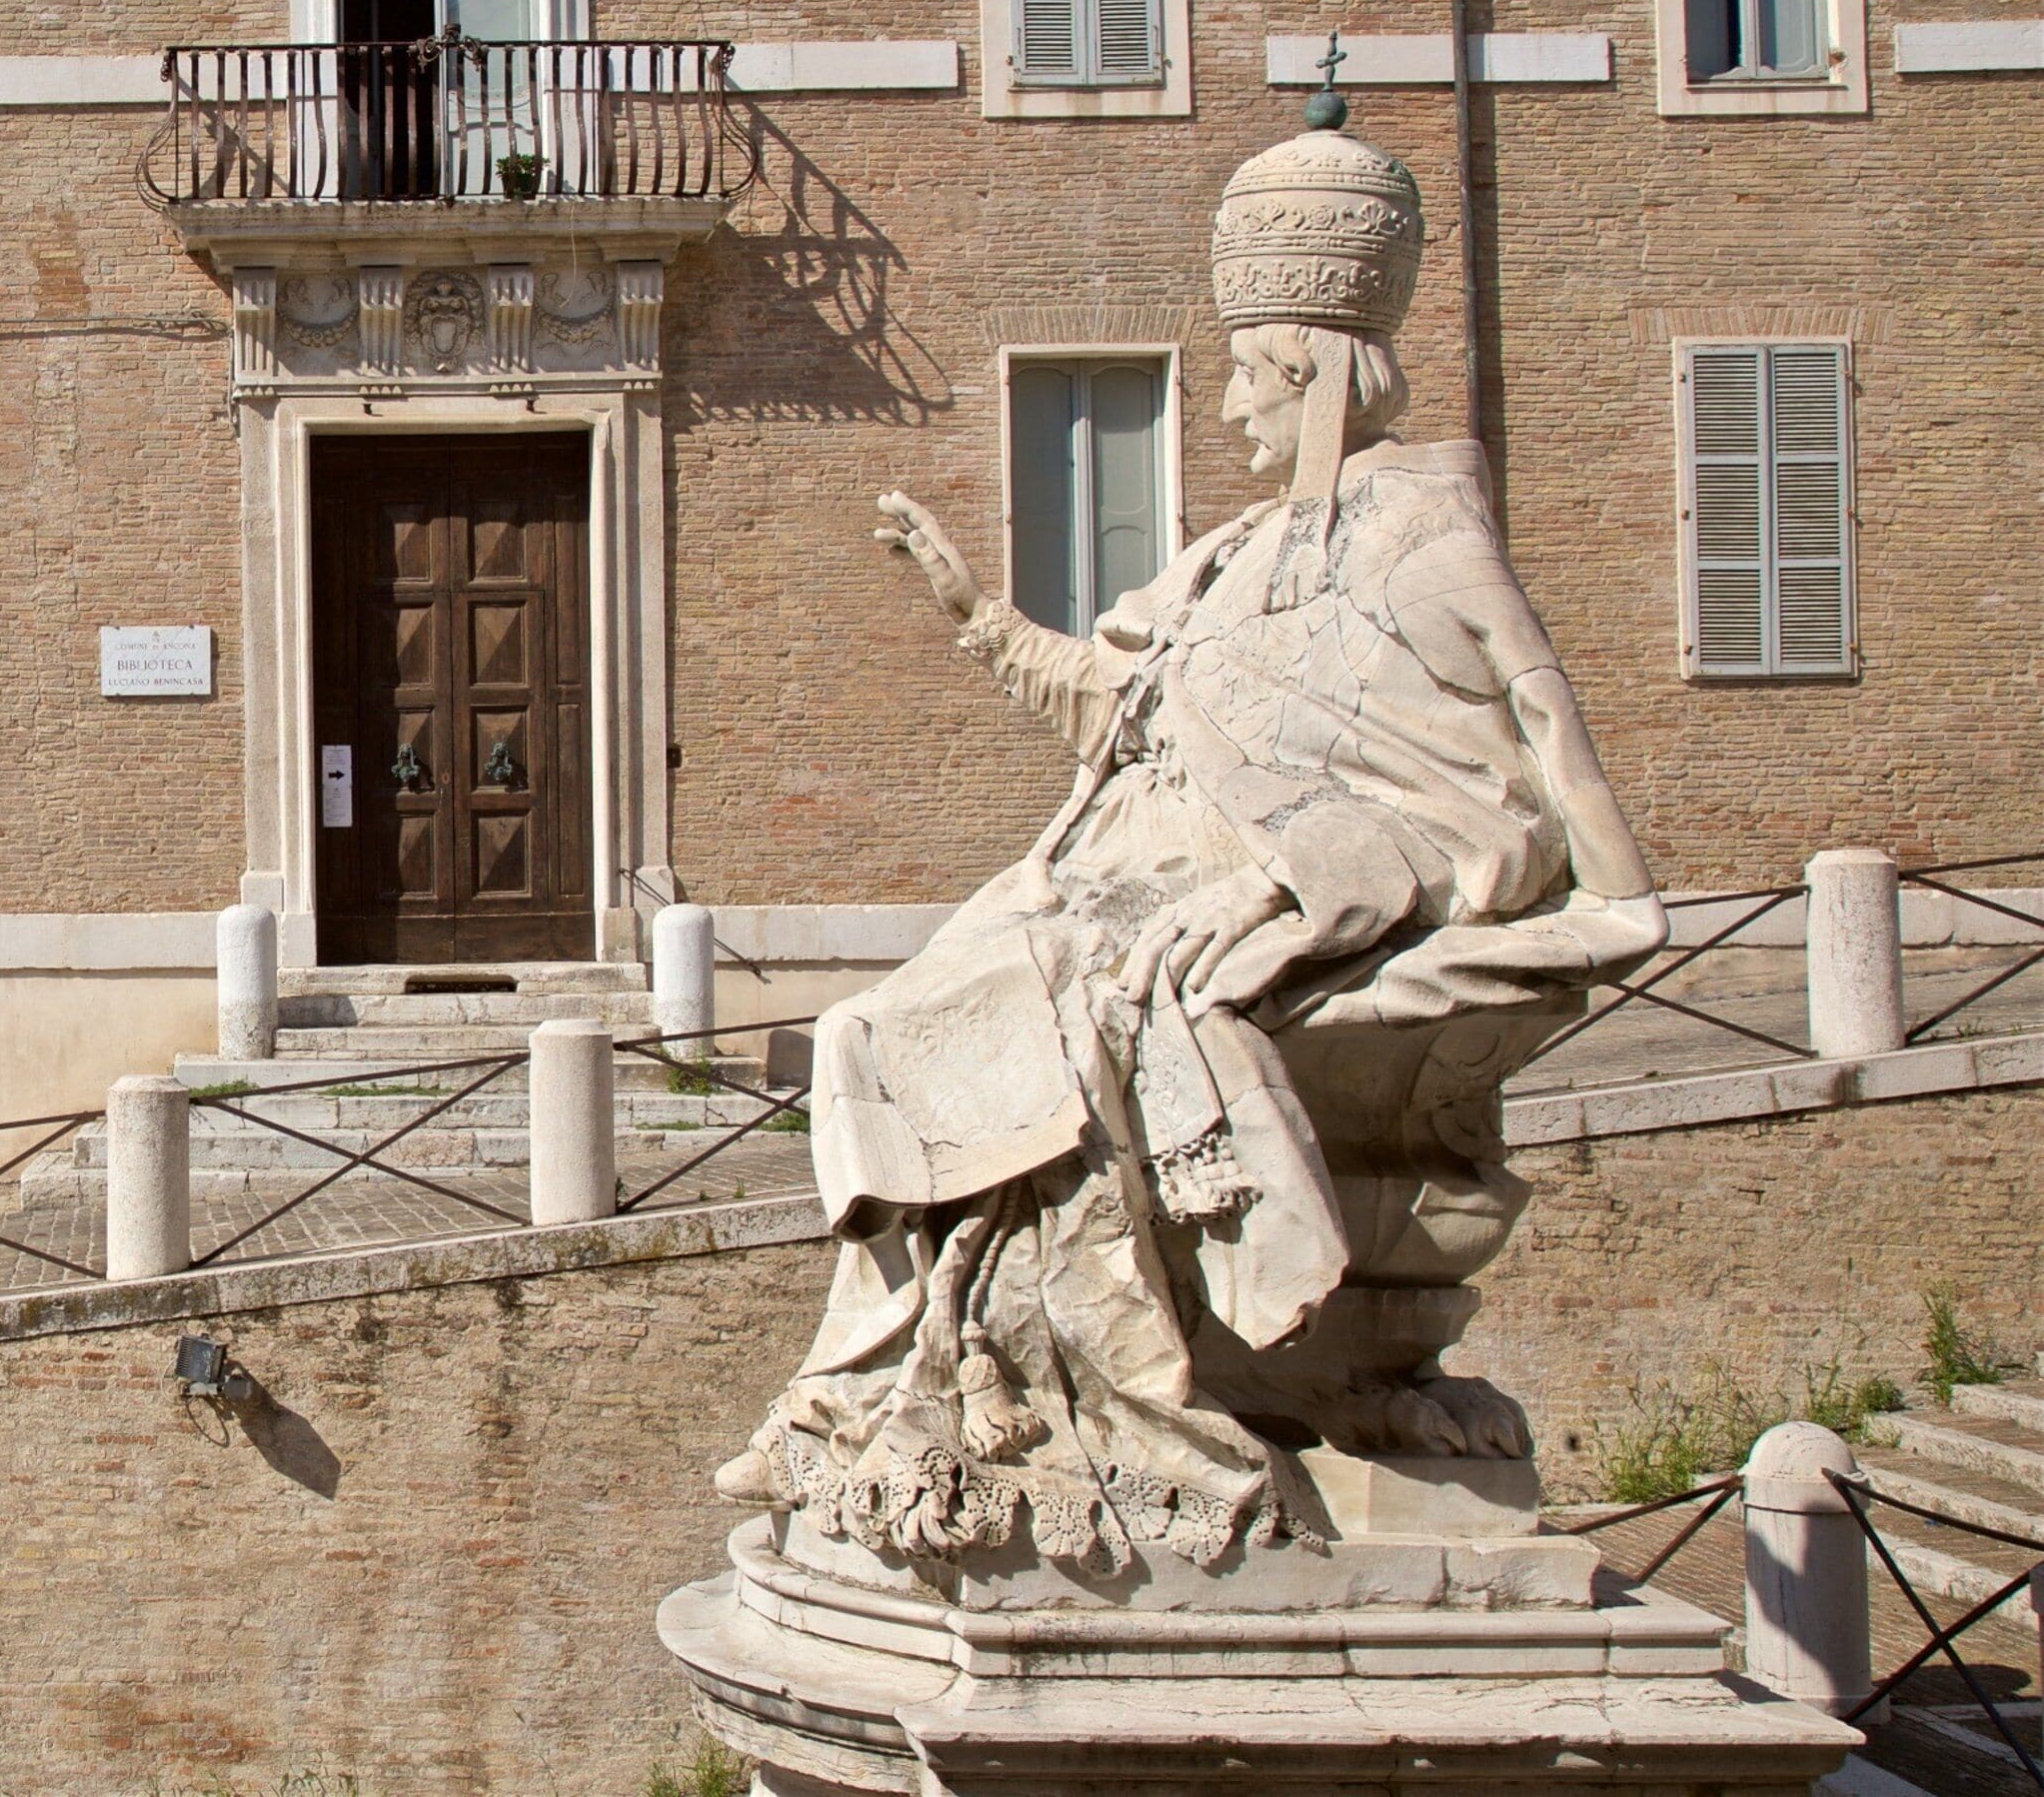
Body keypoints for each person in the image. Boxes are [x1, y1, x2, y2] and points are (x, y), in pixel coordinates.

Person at [714, 114, 1667, 1573]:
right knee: (867, 1030)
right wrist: (976, 615)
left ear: (1317, 374)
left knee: (1069, 1007)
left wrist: (1329, 886)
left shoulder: (1425, 541)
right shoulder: (1232, 561)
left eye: (1247, 374)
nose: (1226, 410)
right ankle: (885, 1384)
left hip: (1209, 894)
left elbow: (1519, 781)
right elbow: (1127, 706)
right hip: (1109, 870)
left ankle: (1040, 1393)